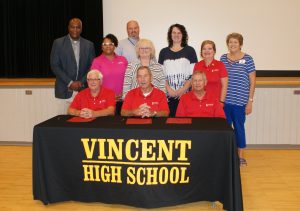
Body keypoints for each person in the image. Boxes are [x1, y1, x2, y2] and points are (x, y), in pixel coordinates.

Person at [220, 33, 256, 166]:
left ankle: (240, 156)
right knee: (225, 129)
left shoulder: (248, 59)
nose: (232, 44)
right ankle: (227, 155)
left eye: (235, 42)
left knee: (239, 128)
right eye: (230, 42)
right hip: (225, 102)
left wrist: (250, 101)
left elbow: (252, 82)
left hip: (240, 102)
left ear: (240, 44)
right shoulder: (223, 58)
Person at [50, 18, 95, 113]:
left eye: (78, 27)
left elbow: (92, 66)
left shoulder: (89, 45)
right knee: (62, 123)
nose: (75, 30)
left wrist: (81, 82)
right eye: (72, 27)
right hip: (64, 89)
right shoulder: (58, 43)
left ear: (81, 29)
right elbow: (55, 65)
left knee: (82, 123)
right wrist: (70, 82)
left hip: (83, 89)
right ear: (68, 28)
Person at [158, 23, 198, 117]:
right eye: (174, 32)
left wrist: (183, 90)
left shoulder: (190, 50)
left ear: (183, 35)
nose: (176, 35)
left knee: (185, 124)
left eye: (179, 33)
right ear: (170, 35)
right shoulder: (163, 52)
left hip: (185, 94)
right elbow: (161, 74)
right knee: (169, 125)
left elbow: (193, 74)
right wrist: (169, 90)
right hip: (168, 95)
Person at [90, 34, 128, 115]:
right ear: (101, 47)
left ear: (115, 46)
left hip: (123, 101)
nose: (108, 46)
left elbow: (129, 79)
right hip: (105, 102)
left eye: (111, 44)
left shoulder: (123, 60)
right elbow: (93, 83)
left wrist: (125, 93)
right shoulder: (96, 61)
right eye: (105, 44)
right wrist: (110, 96)